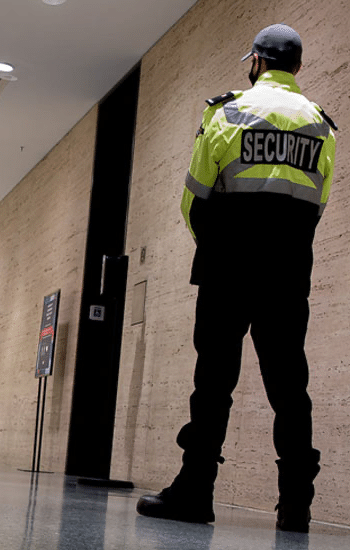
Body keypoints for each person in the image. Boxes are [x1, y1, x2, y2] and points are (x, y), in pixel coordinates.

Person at [136, 24, 336, 533]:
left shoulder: (227, 112)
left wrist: (215, 244)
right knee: (290, 386)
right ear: (297, 67)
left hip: (227, 267)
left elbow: (194, 196)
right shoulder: (320, 126)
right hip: (289, 272)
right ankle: (296, 505)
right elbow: (318, 204)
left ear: (256, 62)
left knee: (214, 382)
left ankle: (195, 491)